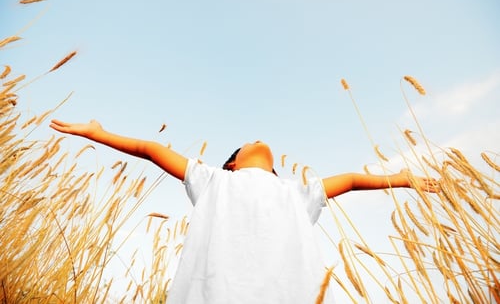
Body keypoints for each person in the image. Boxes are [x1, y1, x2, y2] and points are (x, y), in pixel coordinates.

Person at [50, 119, 438, 303]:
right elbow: (152, 150)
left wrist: (401, 178)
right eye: (245, 143)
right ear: (231, 164)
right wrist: (98, 135)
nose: (256, 138)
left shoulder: (295, 192)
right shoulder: (213, 181)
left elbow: (352, 180)